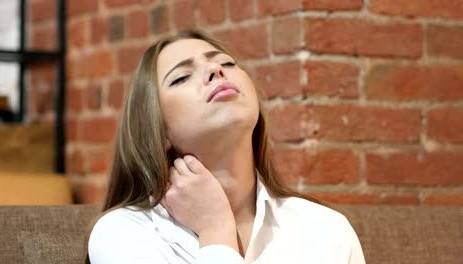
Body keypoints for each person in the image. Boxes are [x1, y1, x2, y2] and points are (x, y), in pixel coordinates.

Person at [87, 29, 366, 264]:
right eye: (181, 77)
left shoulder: (327, 229)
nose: (215, 70)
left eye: (227, 63)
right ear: (157, 131)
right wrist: (215, 229)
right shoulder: (122, 233)